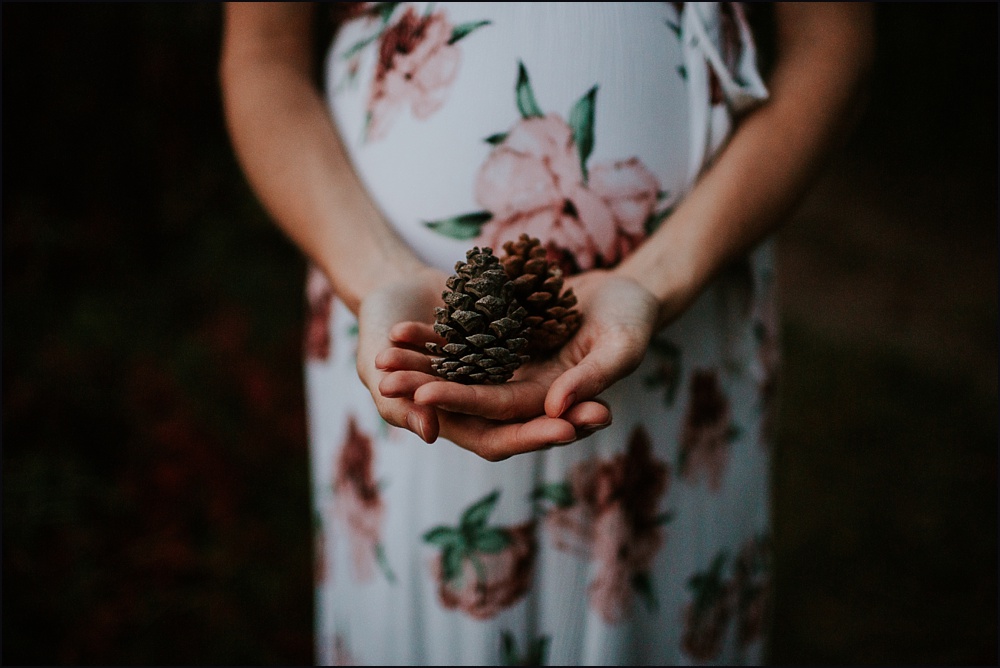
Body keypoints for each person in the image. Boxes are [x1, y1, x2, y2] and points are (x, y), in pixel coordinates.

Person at [220, 2, 874, 664]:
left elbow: (832, 39)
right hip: (396, 323)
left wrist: (659, 277)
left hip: (691, 325)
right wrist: (373, 272)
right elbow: (264, 53)